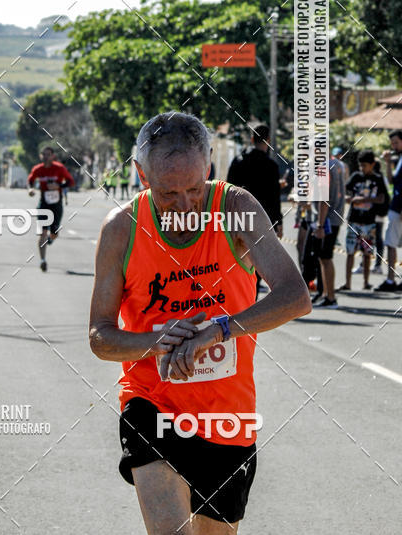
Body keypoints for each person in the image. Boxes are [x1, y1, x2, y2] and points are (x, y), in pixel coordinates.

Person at [89, 113, 310, 535]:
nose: (186, 205)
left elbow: (295, 296)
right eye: (169, 193)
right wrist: (156, 342)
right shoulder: (121, 229)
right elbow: (100, 337)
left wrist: (220, 329)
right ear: (141, 175)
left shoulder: (236, 209)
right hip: (152, 405)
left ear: (209, 166)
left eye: (195, 188)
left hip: (228, 418)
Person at [227, 123, 283, 296]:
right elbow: (274, 198)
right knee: (258, 262)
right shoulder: (271, 166)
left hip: (238, 219)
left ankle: (237, 299)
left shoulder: (238, 161)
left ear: (252, 139)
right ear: (268, 141)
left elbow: (228, 190)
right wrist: (278, 222)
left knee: (237, 260)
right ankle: (251, 301)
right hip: (262, 220)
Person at [338, 150, 387, 294]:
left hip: (369, 221)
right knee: (350, 251)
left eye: (365, 165)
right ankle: (347, 283)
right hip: (354, 220)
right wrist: (349, 199)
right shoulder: (356, 177)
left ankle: (366, 282)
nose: (362, 169)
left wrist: (364, 200)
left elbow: (381, 198)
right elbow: (345, 191)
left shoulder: (378, 179)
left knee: (367, 253)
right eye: (360, 166)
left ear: (372, 165)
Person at [28, 147, 75, 272]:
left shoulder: (59, 168)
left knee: (55, 233)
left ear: (53, 156)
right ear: (40, 156)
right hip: (43, 204)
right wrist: (31, 189)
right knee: (42, 232)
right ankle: (43, 260)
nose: (45, 157)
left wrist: (58, 185)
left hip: (56, 204)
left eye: (48, 155)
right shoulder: (37, 169)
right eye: (43, 154)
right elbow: (31, 180)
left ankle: (50, 239)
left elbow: (71, 182)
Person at [310, 150, 347, 307]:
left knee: (325, 258)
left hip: (328, 220)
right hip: (336, 216)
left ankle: (330, 296)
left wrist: (319, 225)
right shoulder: (338, 164)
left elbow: (324, 199)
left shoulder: (324, 167)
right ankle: (326, 294)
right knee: (324, 258)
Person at [376, 130, 402, 292]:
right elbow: (392, 180)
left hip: (399, 207)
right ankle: (391, 279)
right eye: (392, 143)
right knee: (390, 243)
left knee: (391, 243)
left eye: (396, 143)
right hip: (396, 206)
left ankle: (391, 280)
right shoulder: (399, 158)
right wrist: (387, 162)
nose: (393, 146)